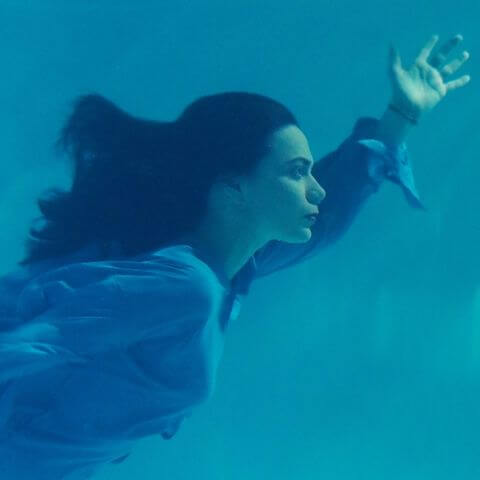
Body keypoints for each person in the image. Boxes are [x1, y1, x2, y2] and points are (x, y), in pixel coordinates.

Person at [0, 34, 470, 479]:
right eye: (297, 172)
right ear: (233, 188)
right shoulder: (187, 286)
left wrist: (400, 117)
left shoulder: (227, 269)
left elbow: (327, 219)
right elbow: (33, 341)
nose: (317, 188)